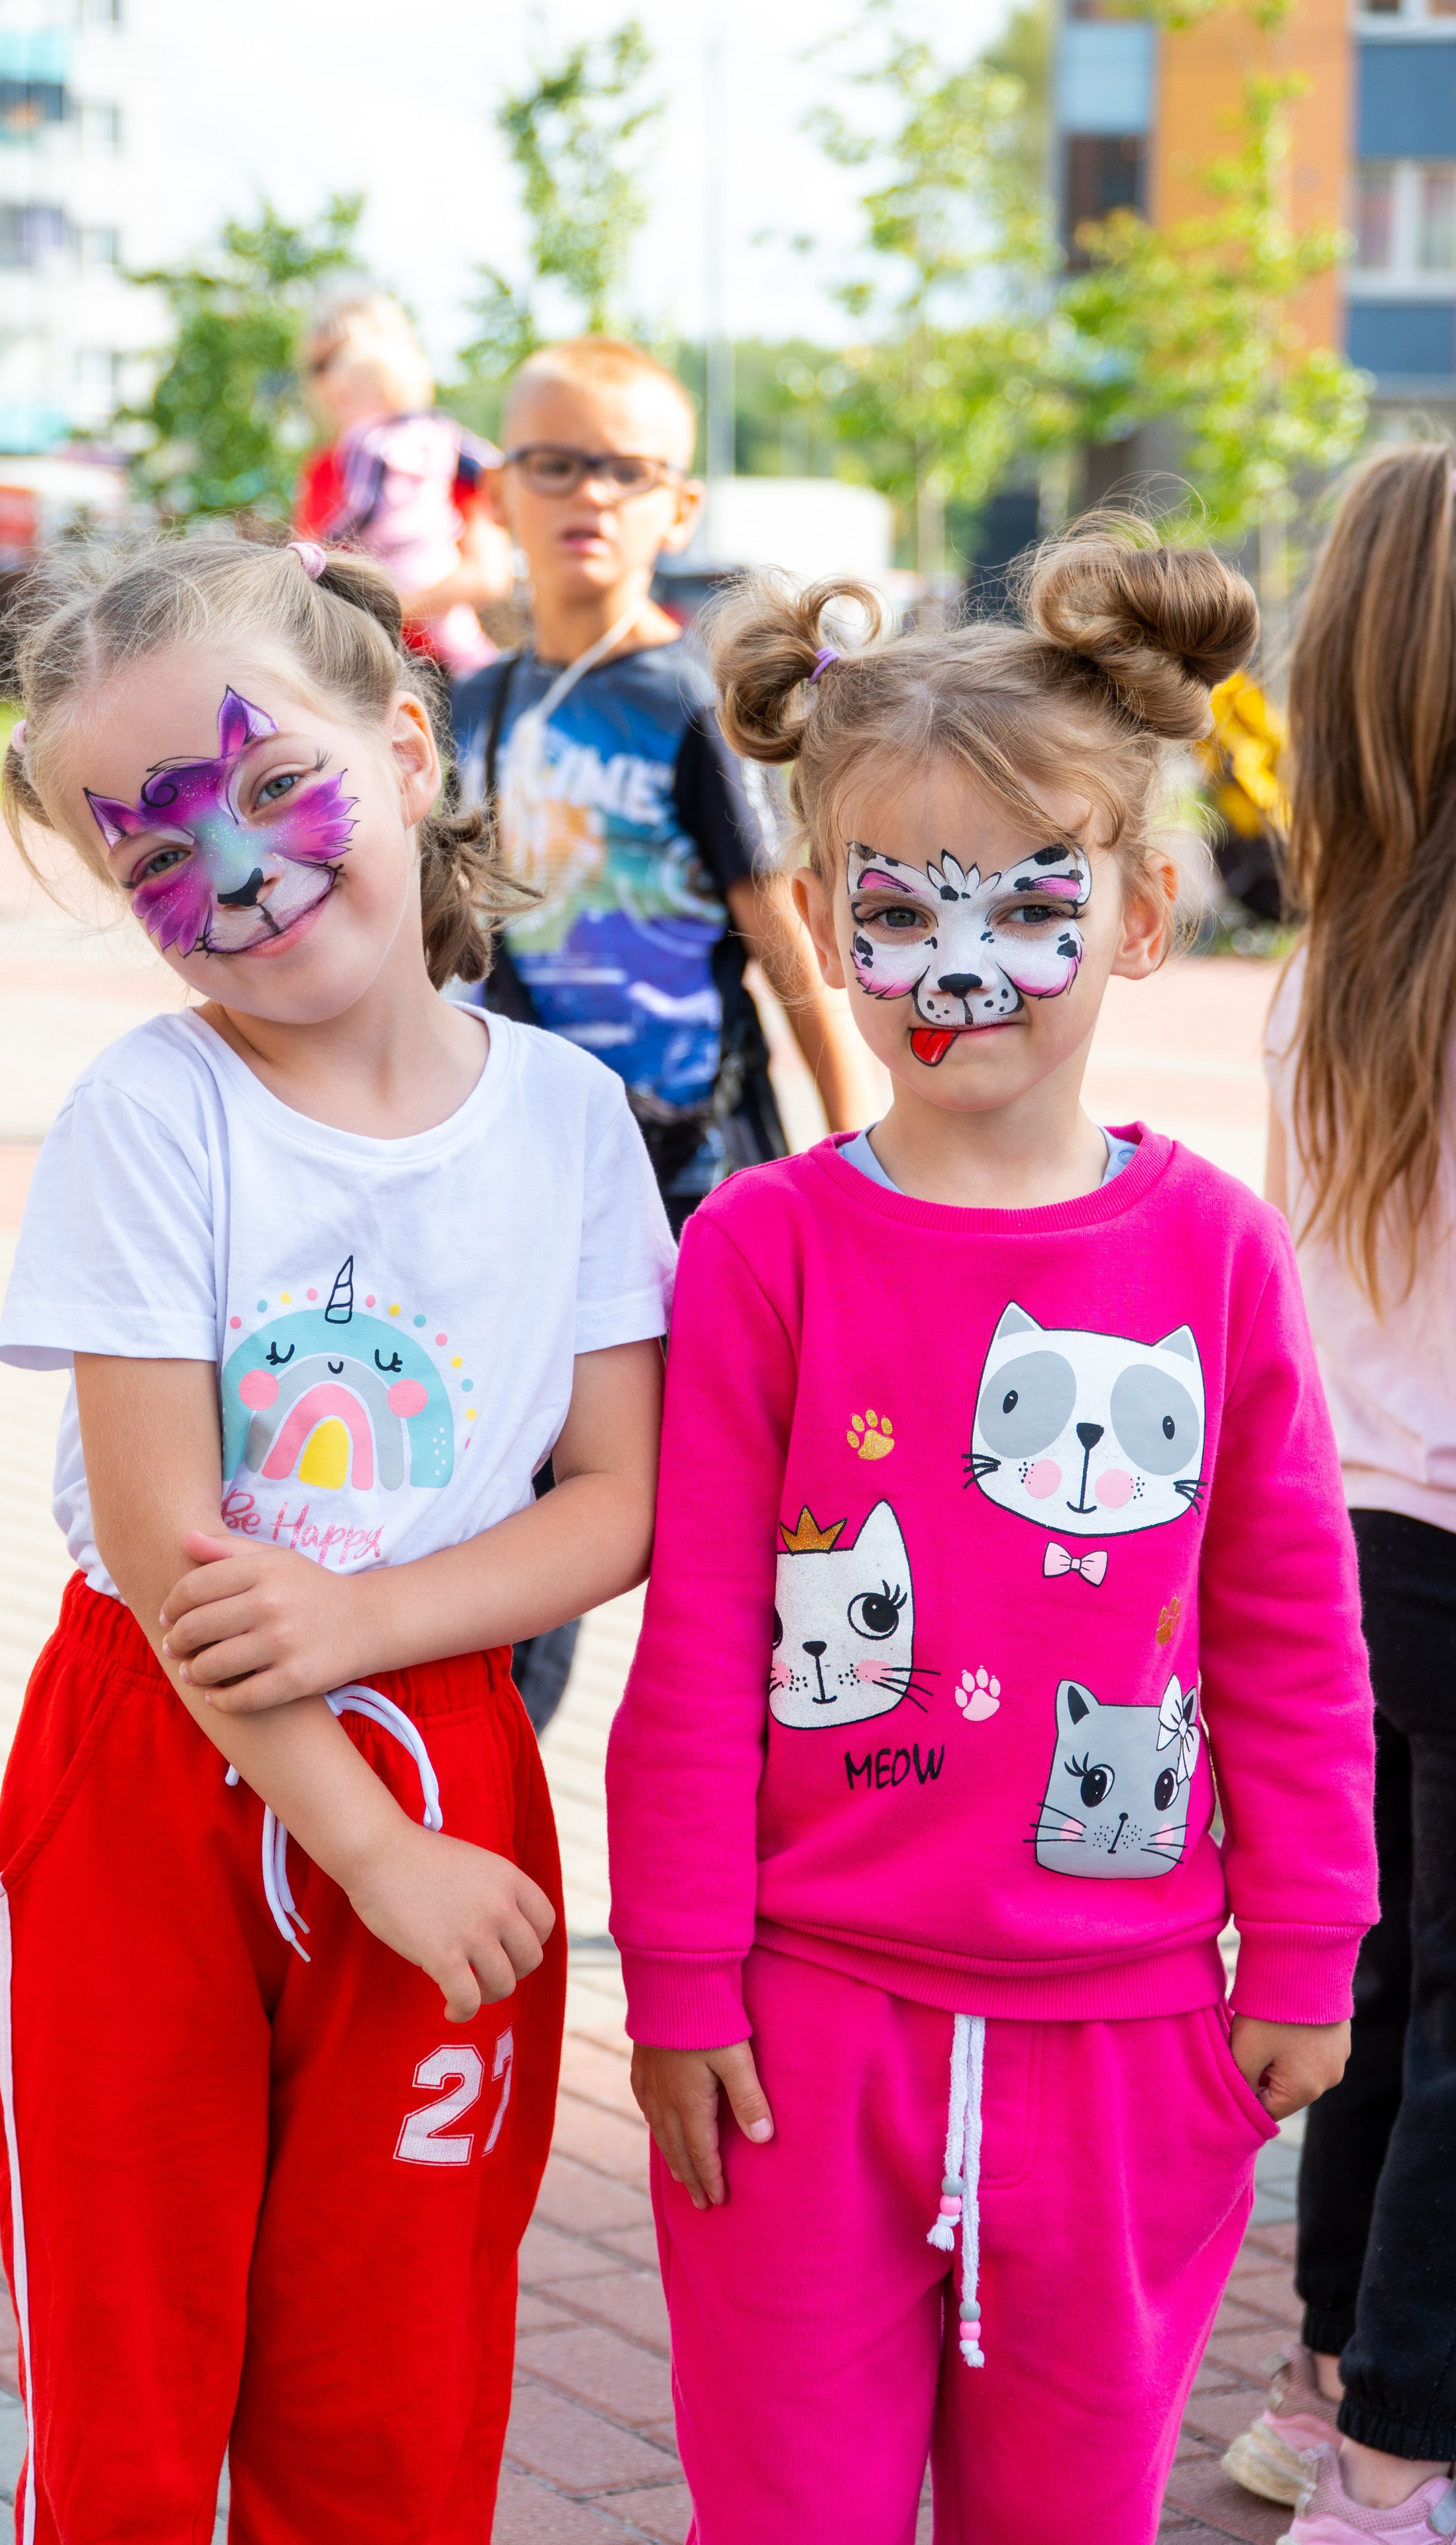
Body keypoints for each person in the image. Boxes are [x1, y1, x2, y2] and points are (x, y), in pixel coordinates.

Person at [604, 520, 1381, 2545]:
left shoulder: (1209, 1247)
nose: (956, 966)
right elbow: (696, 1638)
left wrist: (1303, 1934)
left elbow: (1290, 1621)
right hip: (797, 2036)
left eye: (1024, 902)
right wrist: (681, 1978)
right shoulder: (760, 1245)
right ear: (830, 914)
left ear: (1135, 914)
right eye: (895, 905)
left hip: (1130, 2047)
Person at [0, 532, 674, 2542]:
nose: (243, 877)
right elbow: (183, 1560)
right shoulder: (152, 1113)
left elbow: (618, 1499)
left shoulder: (569, 1118)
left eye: (279, 788)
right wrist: (351, 1835)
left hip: (445, 1765)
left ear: (411, 749)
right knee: (129, 2378)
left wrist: (373, 1629)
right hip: (152, 1782)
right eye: (157, 854)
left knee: (392, 2375)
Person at [453, 336, 871, 1736]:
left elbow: (791, 955)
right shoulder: (469, 706)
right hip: (524, 1184)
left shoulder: (689, 706)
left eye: (622, 469)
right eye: (551, 462)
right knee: (529, 1503)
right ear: (497, 490)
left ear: (672, 507)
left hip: (699, 1181)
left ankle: (757, 1802)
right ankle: (483, 1781)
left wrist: (856, 1150)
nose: (586, 494)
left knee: (718, 1517)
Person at [1219, 443, 1456, 2545]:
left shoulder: (1331, 972)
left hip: (1350, 1543)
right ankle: (1393, 2459)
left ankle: (1311, 2389)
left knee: (1388, 1994)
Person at [294, 286, 511, 677]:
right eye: (318, 366)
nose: (331, 379)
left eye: (344, 357)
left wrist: (390, 606)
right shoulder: (324, 467)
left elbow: (490, 576)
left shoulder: (439, 453)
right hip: (353, 668)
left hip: (437, 666)